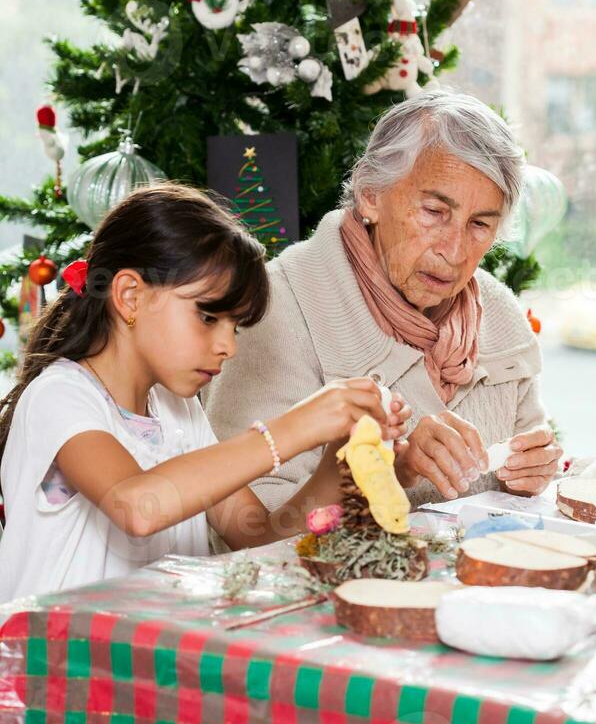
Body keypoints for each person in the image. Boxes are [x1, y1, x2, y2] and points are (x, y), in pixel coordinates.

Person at [0, 184, 408, 601]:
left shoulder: (180, 412)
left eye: (235, 326)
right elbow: (137, 507)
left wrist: (339, 460)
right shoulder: (59, 397)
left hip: (147, 655)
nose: (227, 346)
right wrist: (293, 429)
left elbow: (261, 537)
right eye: (208, 316)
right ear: (129, 296)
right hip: (47, 658)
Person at [205, 89, 562, 513]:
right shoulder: (278, 306)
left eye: (480, 224)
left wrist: (531, 476)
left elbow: (527, 469)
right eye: (434, 211)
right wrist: (391, 470)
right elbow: (247, 526)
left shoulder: (499, 312)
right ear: (371, 195)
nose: (454, 250)